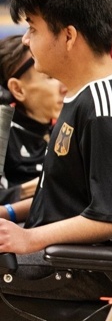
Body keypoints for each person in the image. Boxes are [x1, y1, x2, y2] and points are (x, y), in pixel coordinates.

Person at [0, 0, 112, 300]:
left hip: (76, 268)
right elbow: (67, 192)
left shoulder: (104, 111)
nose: (25, 40)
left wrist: (29, 238)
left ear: (69, 36)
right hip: (54, 251)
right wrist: (10, 212)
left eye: (33, 28)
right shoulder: (87, 92)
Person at [0, 35, 66, 203]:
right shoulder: (3, 129)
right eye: (50, 77)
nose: (64, 86)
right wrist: (45, 184)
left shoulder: (64, 128)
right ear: (18, 89)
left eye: (61, 72)